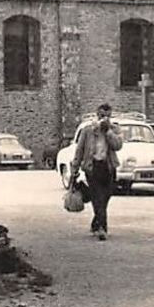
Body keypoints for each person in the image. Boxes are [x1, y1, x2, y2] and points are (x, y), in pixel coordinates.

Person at [68, 103, 123, 240]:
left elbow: (118, 146)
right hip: (93, 167)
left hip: (108, 167)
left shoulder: (114, 129)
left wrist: (108, 132)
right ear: (97, 115)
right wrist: (75, 168)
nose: (104, 118)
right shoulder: (88, 131)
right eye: (101, 116)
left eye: (107, 116)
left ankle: (96, 222)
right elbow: (79, 150)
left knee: (105, 198)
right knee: (97, 197)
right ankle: (102, 228)